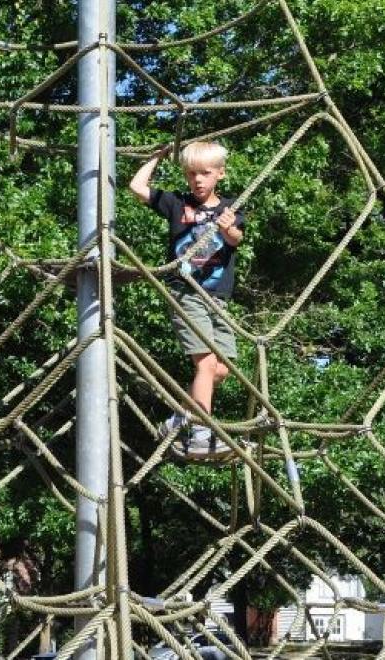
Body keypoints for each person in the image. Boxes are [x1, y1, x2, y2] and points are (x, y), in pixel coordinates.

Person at [129, 141, 245, 458]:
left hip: (217, 296)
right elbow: (137, 187)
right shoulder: (177, 204)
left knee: (221, 369)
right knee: (205, 363)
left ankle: (181, 417)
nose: (197, 180)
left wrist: (227, 229)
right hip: (184, 291)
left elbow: (237, 239)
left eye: (205, 174)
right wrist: (156, 157)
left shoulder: (230, 207)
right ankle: (201, 433)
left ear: (220, 174)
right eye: (191, 174)